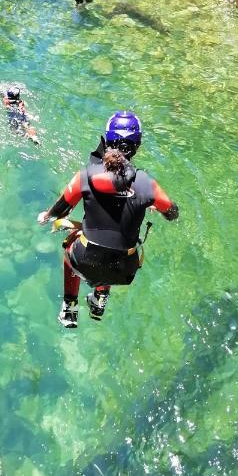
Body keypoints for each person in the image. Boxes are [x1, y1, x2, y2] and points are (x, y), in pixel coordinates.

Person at [37, 112, 179, 328]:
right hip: (124, 271)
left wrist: (46, 216)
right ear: (137, 146)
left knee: (71, 244)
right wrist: (151, 203)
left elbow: (60, 211)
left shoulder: (84, 176)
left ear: (106, 142)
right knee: (116, 248)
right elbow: (172, 213)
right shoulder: (147, 184)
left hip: (85, 261)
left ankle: (70, 308)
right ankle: (99, 301)